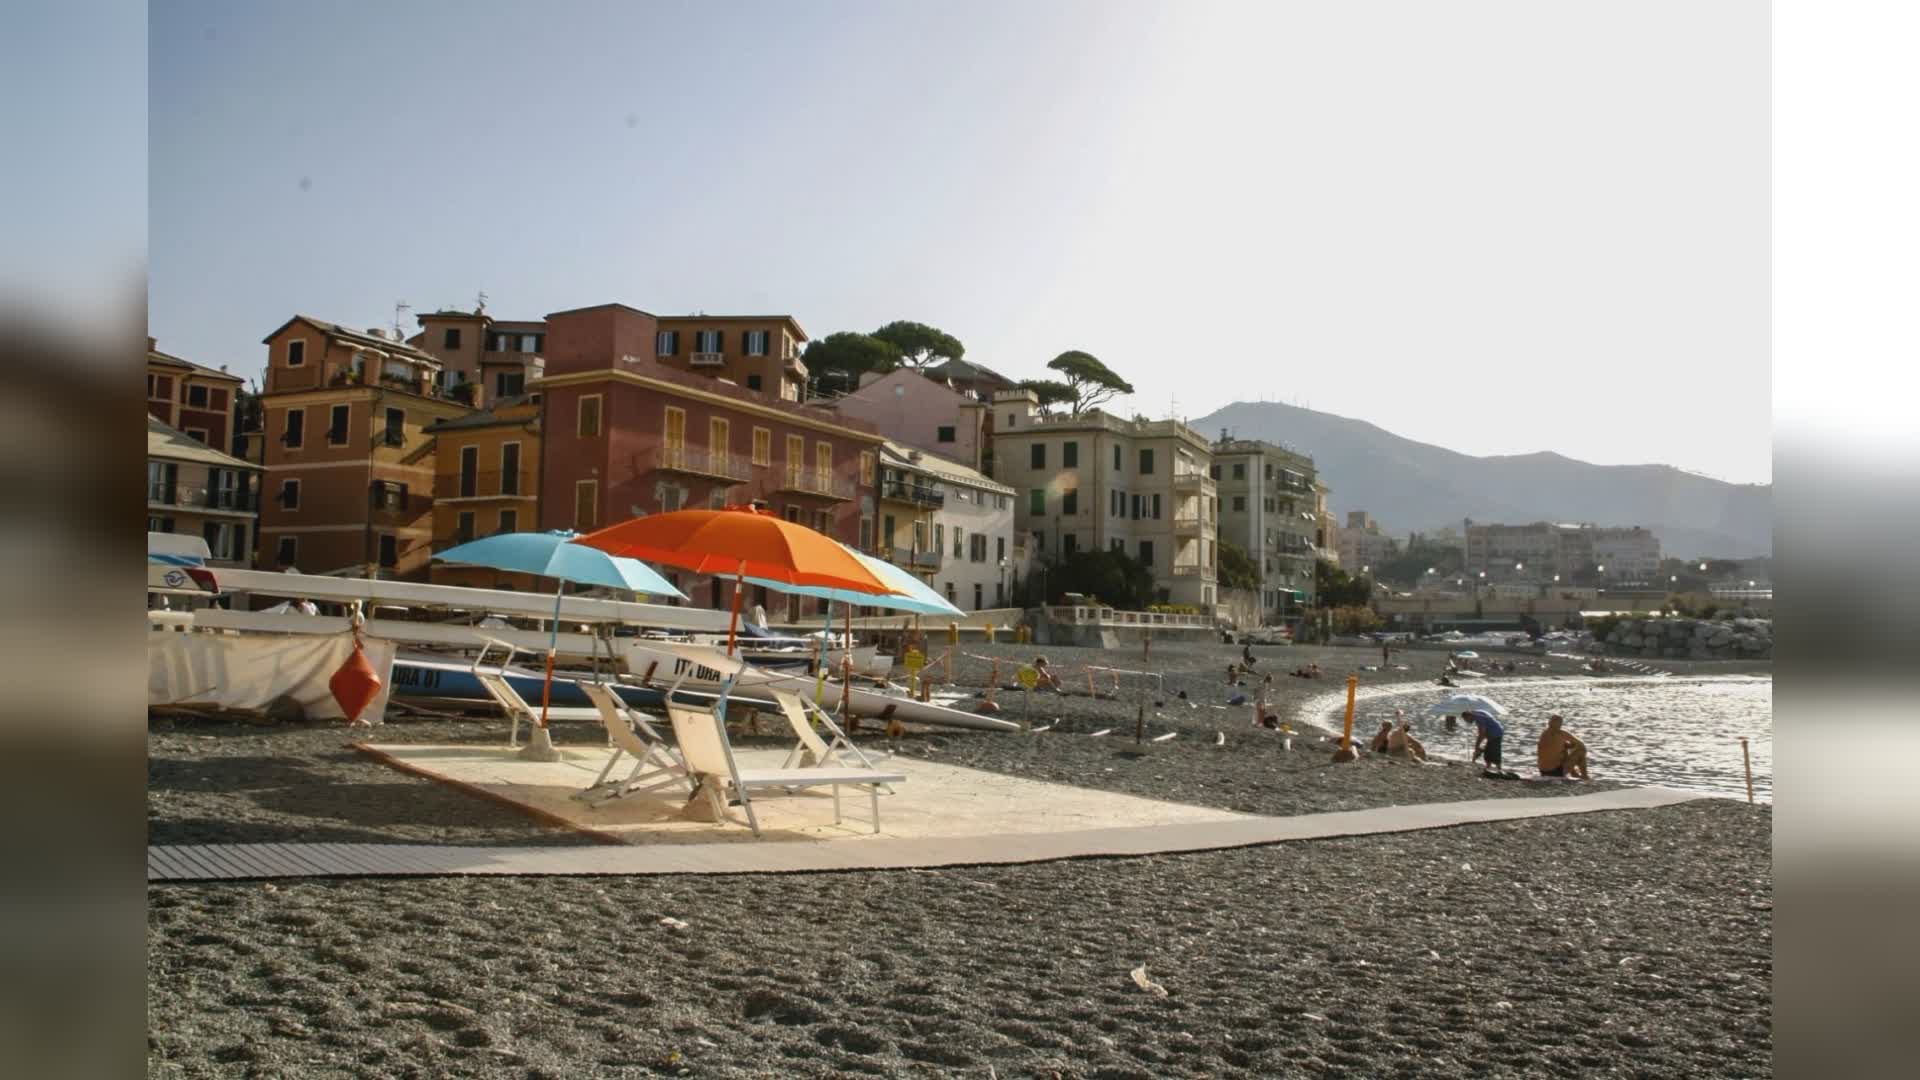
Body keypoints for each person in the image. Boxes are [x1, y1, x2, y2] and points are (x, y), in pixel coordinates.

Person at [1537, 713, 1590, 779]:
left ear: (1549, 723)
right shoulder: (1561, 734)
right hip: (1556, 772)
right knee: (1581, 752)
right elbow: (1581, 745)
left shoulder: (1544, 734)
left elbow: (1552, 748)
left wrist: (1567, 746)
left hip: (1543, 772)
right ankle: (1585, 777)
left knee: (1564, 747)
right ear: (1560, 724)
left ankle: (1574, 774)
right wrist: (1572, 747)